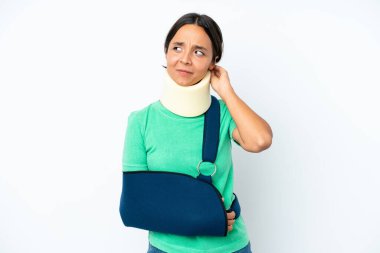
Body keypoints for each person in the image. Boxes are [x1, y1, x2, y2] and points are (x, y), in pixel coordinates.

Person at [121, 13, 273, 253]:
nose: (185, 59)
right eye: (177, 48)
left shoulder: (223, 114)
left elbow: (261, 140)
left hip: (228, 247)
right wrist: (203, 215)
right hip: (166, 249)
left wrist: (226, 91)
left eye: (199, 52)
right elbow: (135, 205)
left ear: (214, 62)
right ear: (166, 52)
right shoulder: (141, 121)